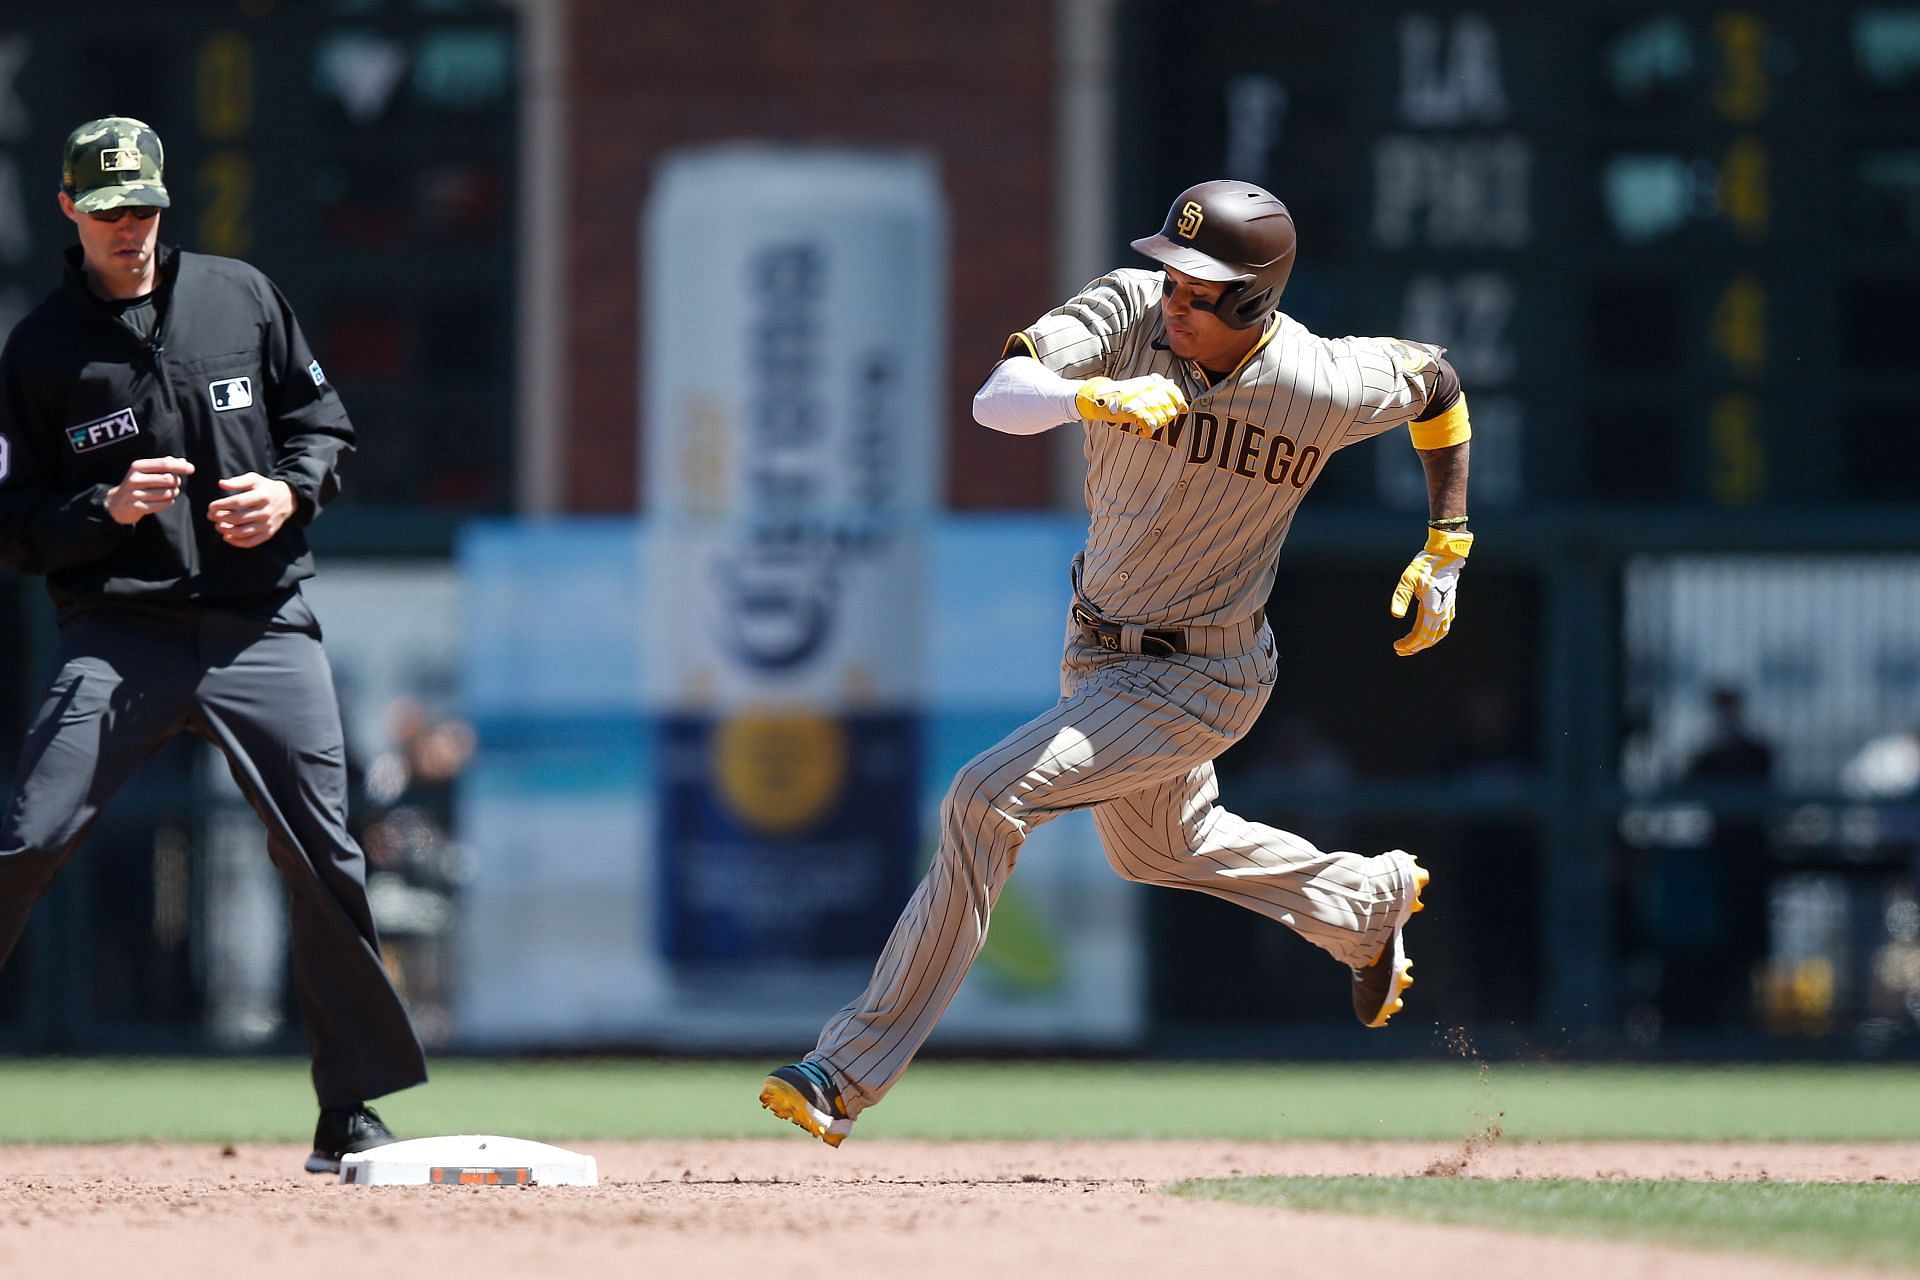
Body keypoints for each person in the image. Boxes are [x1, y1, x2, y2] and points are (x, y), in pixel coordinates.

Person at [759, 179, 1474, 1145]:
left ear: (1255, 300)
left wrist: (1447, 545)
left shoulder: (1320, 382)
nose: (1172, 294)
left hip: (1204, 673)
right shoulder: (1128, 312)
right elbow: (994, 401)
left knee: (984, 798)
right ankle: (1362, 905)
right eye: (1170, 271)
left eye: (1197, 285)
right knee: (1158, 849)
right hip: (1097, 646)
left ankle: (845, 1071)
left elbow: (1434, 378)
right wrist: (1083, 394)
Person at [0, 117, 426, 1171]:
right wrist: (105, 505)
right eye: (108, 212)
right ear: (70, 209)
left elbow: (321, 424)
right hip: (119, 631)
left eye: (143, 206)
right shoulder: (41, 347)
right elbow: (15, 523)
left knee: (324, 853)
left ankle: (350, 1109)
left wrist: (286, 490)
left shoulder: (240, 296)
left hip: (259, 624)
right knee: (25, 835)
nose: (130, 228)